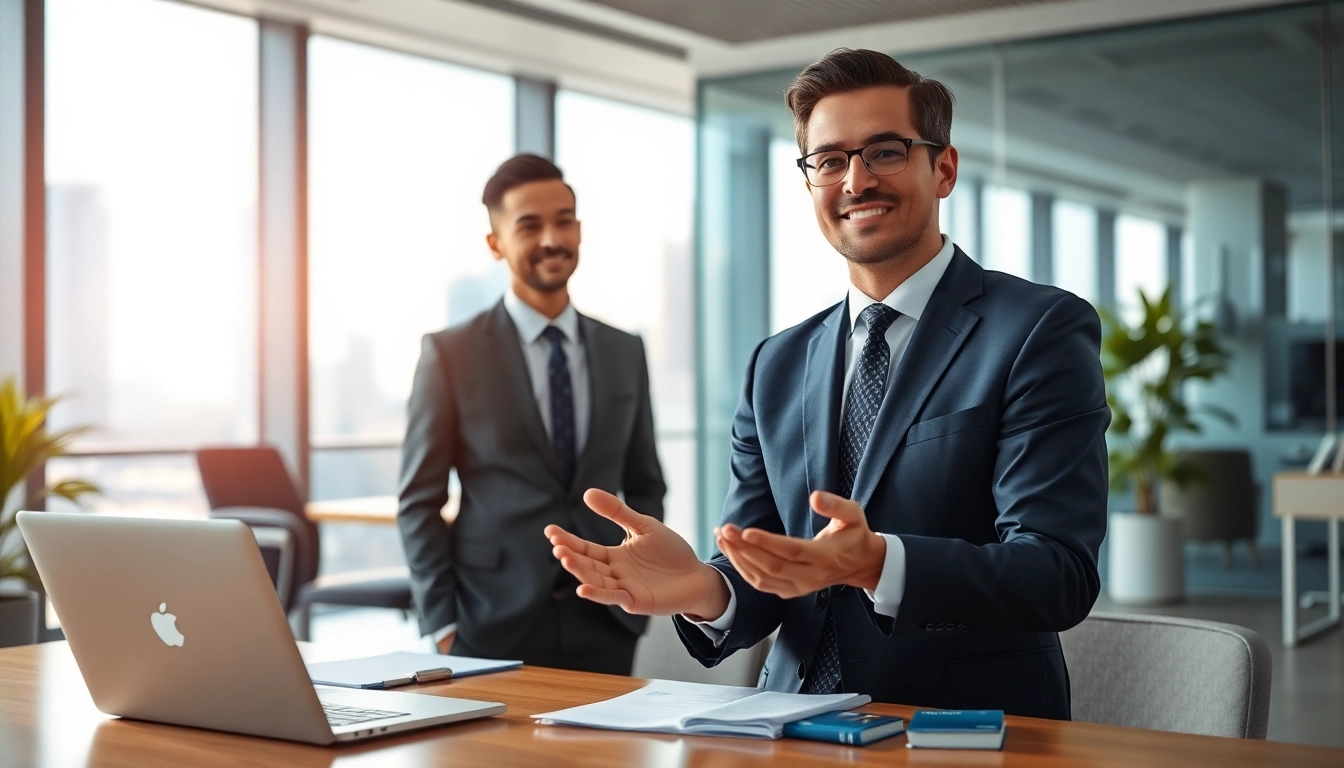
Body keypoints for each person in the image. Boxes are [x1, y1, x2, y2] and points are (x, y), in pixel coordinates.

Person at [545, 49, 1108, 718]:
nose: (856, 180)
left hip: (959, 731)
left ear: (944, 167)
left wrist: (875, 563)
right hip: (785, 729)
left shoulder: (1037, 330)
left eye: (886, 152)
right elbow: (769, 574)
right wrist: (701, 587)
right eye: (830, 160)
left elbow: (1057, 575)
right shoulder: (775, 365)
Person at [398, 154, 666, 676]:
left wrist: (640, 579)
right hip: (488, 620)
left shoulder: (623, 350)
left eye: (564, 221)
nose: (551, 238)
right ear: (495, 244)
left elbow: (645, 481)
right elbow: (419, 500)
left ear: (580, 230)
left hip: (607, 618)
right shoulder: (450, 355)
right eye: (529, 225)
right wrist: (443, 624)